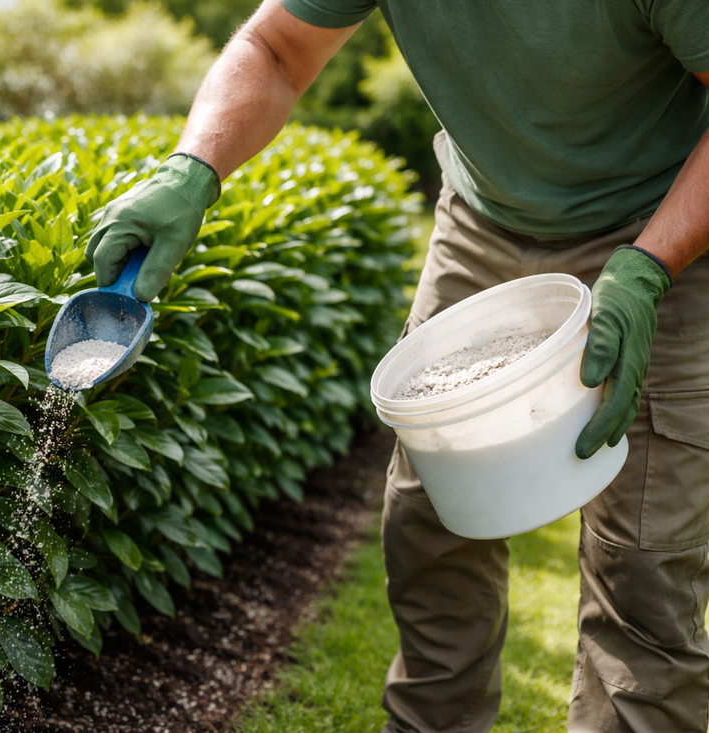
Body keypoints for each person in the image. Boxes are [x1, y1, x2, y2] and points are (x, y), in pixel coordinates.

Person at [85, 0, 709, 730]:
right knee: (433, 522)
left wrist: (651, 266)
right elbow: (278, 47)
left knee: (644, 566)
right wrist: (193, 167)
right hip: (486, 222)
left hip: (659, 226)